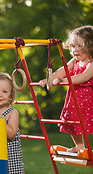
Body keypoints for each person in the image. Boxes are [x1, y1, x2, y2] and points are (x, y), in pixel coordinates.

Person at [39, 25, 93, 153]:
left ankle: (82, 146)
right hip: (74, 99)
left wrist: (65, 80)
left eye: (80, 46)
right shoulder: (75, 61)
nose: (75, 50)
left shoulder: (91, 63)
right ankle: (79, 146)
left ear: (91, 46)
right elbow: (63, 70)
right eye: (73, 46)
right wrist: (49, 79)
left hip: (87, 99)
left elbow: (84, 77)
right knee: (71, 119)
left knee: (85, 121)